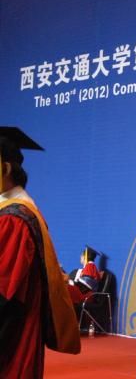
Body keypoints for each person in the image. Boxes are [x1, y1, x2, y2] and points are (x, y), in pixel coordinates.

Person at [0, 126, 80, 378]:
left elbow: (4, 292)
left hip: (11, 343)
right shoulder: (17, 213)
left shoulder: (13, 220)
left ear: (6, 169)